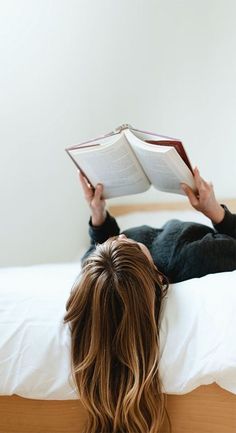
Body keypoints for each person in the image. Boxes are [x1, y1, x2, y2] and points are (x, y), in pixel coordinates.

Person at [64, 168, 236, 433]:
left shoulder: (99, 271)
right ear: (156, 275)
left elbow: (97, 254)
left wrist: (98, 216)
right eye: (127, 244)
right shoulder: (193, 257)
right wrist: (215, 212)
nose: (121, 237)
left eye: (115, 240)